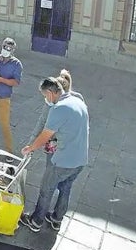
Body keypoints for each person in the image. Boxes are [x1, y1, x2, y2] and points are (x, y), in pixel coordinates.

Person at [20, 77, 89, 233]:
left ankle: (36, 221)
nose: (46, 99)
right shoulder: (78, 100)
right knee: (66, 188)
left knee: (47, 189)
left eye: (45, 96)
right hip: (80, 160)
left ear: (51, 93)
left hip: (63, 161)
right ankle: (57, 219)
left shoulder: (59, 109)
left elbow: (45, 135)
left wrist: (30, 148)